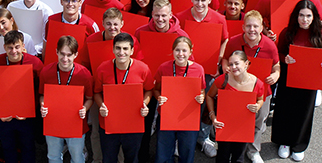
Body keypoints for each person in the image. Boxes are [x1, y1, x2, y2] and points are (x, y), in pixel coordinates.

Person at [272, 0, 322, 161]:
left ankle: (298, 145)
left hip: (309, 80)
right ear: (296, 17)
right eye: (301, 15)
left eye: (308, 16)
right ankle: (284, 142)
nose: (305, 19)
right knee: (285, 108)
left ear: (314, 17)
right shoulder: (287, 33)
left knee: (304, 112)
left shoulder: (321, 34)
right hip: (289, 76)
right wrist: (285, 59)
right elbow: (278, 54)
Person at [221, 11, 280, 163]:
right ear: (243, 27)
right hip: (236, 90)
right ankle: (233, 147)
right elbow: (225, 59)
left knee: (259, 120)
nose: (251, 29)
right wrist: (225, 67)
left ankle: (253, 150)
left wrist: (275, 75)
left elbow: (277, 66)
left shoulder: (270, 45)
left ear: (261, 28)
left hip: (261, 91)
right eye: (248, 26)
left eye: (255, 26)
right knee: (234, 119)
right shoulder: (234, 42)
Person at [0, 31, 43, 163]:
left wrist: (30, 110)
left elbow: (40, 90)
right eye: (10, 47)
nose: (14, 51)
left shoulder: (36, 63)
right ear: (4, 47)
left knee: (28, 147)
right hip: (4, 116)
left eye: (17, 47)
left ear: (23, 46)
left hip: (27, 116)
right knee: (8, 147)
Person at [93, 32, 153, 163]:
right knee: (109, 159)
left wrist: (144, 103)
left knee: (132, 159)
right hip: (109, 124)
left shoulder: (143, 69)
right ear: (113, 49)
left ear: (132, 50)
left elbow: (149, 90)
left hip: (133, 124)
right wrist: (101, 105)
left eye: (125, 48)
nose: (121, 52)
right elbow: (96, 92)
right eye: (118, 48)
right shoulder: (103, 68)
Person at [205, 50, 269, 163]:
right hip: (225, 125)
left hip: (243, 126)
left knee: (239, 157)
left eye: (237, 63)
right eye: (230, 64)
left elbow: (260, 99)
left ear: (246, 64)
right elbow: (209, 96)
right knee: (222, 156)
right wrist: (213, 116)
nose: (233, 67)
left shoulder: (257, 83)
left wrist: (257, 106)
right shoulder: (223, 79)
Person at [40, 35, 95, 163]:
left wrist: (84, 108)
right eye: (62, 54)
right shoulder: (46, 72)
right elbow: (42, 95)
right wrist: (43, 105)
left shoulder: (84, 74)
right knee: (53, 156)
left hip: (75, 122)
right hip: (53, 121)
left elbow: (90, 98)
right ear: (56, 52)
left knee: (77, 157)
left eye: (69, 55)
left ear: (75, 55)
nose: (65, 59)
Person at [153, 36, 206, 163]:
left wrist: (201, 97)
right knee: (163, 153)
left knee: (187, 152)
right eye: (177, 50)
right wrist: (159, 97)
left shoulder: (198, 69)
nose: (180, 54)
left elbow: (202, 90)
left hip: (188, 117)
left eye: (184, 50)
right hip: (167, 115)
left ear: (190, 52)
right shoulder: (164, 68)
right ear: (172, 51)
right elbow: (156, 89)